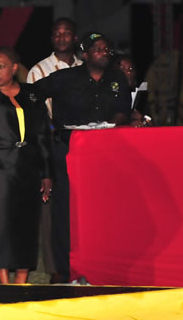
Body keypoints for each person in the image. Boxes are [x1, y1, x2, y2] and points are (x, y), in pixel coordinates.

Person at [33, 32, 131, 283]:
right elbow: (32, 95)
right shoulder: (66, 78)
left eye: (107, 49)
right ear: (85, 54)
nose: (104, 52)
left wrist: (116, 121)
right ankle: (63, 271)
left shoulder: (117, 78)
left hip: (104, 153)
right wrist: (47, 125)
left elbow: (123, 111)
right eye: (97, 48)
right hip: (69, 151)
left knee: (102, 210)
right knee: (65, 210)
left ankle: (102, 266)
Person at [0, 47, 52, 284]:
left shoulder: (32, 94)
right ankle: (4, 282)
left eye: (1, 66)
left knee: (26, 223)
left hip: (28, 169)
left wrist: (47, 173)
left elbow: (43, 134)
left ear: (14, 68)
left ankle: (22, 280)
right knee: (0, 224)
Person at [26, 17, 82, 282]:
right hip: (51, 142)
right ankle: (56, 268)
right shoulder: (39, 70)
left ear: (75, 37)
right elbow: (32, 109)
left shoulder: (85, 66)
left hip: (81, 144)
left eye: (67, 33)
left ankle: (79, 261)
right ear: (52, 39)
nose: (62, 37)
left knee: (79, 206)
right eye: (57, 33)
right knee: (51, 208)